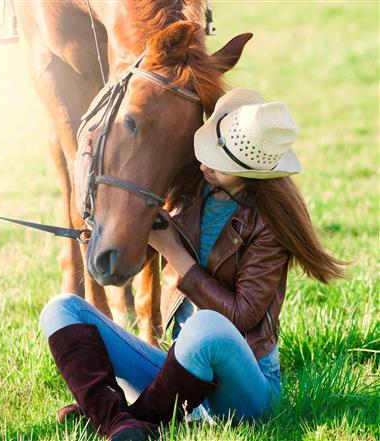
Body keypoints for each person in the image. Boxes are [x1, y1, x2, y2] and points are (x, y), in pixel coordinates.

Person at [38, 88, 346, 441]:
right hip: (179, 378)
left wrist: (174, 252)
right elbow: (133, 257)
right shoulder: (193, 187)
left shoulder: (269, 224)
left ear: (251, 172)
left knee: (206, 326)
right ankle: (116, 422)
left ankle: (133, 416)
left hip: (243, 389)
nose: (204, 163)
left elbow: (241, 316)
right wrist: (116, 230)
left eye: (219, 162)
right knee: (61, 310)